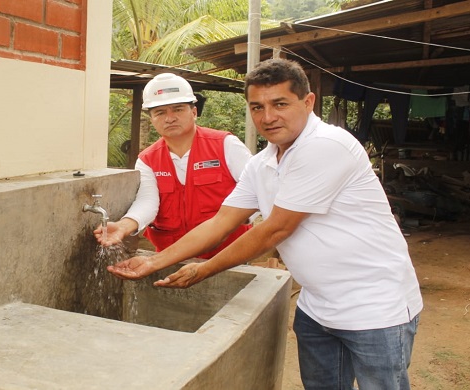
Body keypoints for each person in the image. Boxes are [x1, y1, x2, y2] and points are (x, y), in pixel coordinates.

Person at [108, 59, 423, 390]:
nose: (268, 117)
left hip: (375, 309)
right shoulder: (261, 163)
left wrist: (202, 270)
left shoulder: (326, 146)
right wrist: (153, 261)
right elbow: (222, 220)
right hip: (317, 307)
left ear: (308, 102)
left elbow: (275, 228)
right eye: (257, 107)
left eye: (280, 104)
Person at [94, 73, 252, 259]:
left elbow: (256, 191)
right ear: (152, 119)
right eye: (160, 112)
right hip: (172, 257)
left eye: (177, 109)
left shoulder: (226, 145)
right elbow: (148, 201)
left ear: (194, 112)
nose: (169, 118)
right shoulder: (147, 159)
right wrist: (123, 226)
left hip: (229, 256)